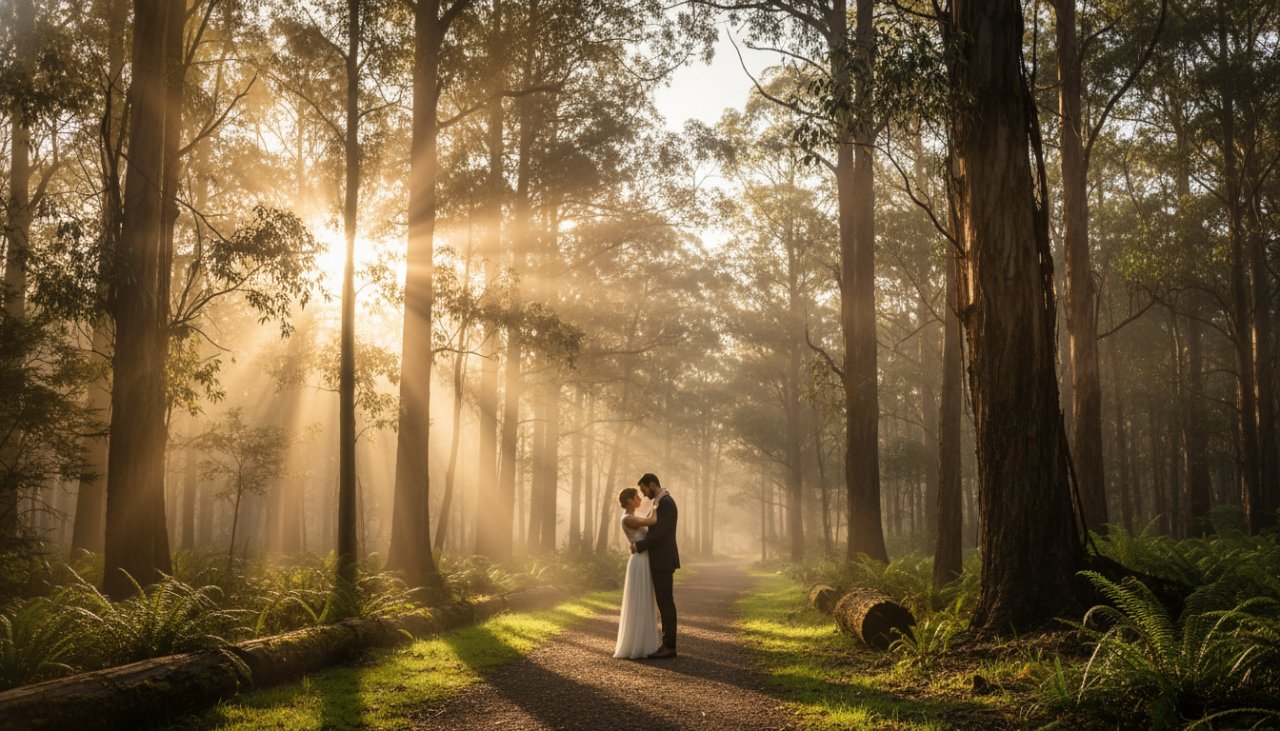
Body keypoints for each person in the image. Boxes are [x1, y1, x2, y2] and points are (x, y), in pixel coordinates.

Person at [631, 472, 679, 659]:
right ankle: (667, 644)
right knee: (664, 602)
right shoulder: (661, 501)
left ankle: (669, 646)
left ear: (652, 484)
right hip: (661, 559)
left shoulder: (666, 503)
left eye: (644, 490)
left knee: (665, 602)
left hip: (664, 560)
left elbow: (660, 535)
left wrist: (639, 546)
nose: (643, 494)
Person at [613, 487, 661, 659]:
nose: (640, 499)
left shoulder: (631, 517)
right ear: (630, 500)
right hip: (640, 561)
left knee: (645, 598)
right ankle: (636, 644)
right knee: (639, 599)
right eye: (637, 497)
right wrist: (657, 502)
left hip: (643, 559)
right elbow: (652, 521)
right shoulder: (628, 518)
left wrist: (654, 505)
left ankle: (643, 643)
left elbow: (647, 519)